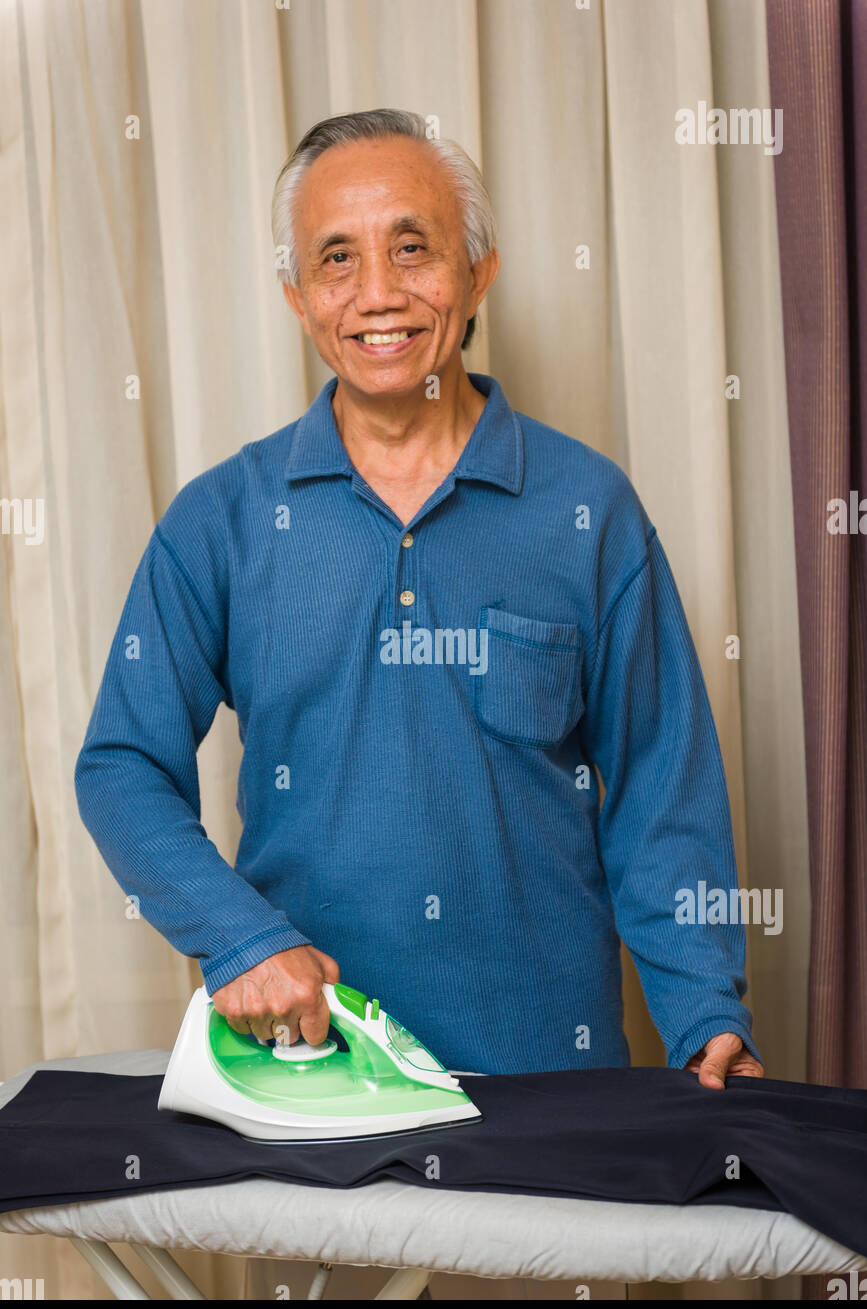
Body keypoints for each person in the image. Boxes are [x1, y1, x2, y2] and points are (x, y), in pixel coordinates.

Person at [75, 108, 763, 1090]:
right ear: (296, 295)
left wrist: (703, 1012)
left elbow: (663, 789)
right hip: (311, 1076)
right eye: (337, 260)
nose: (379, 294)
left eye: (413, 248)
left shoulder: (587, 509)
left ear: (479, 272)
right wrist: (239, 940)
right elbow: (120, 766)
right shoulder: (220, 519)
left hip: (545, 1070)